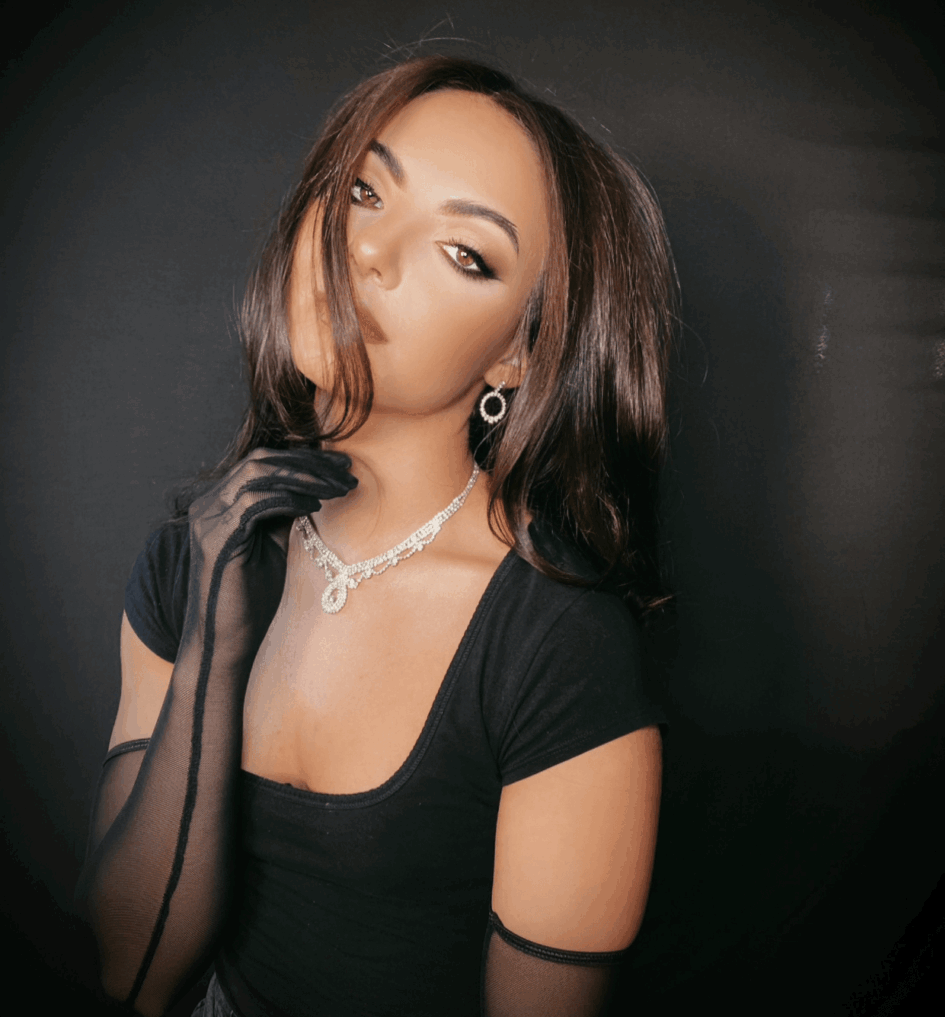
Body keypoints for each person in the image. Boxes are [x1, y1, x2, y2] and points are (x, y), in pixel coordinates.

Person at [75, 55, 676, 1017]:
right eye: (363, 190)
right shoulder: (194, 557)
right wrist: (209, 655)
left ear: (518, 354)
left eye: (463, 252)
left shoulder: (559, 648)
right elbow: (133, 976)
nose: (367, 252)